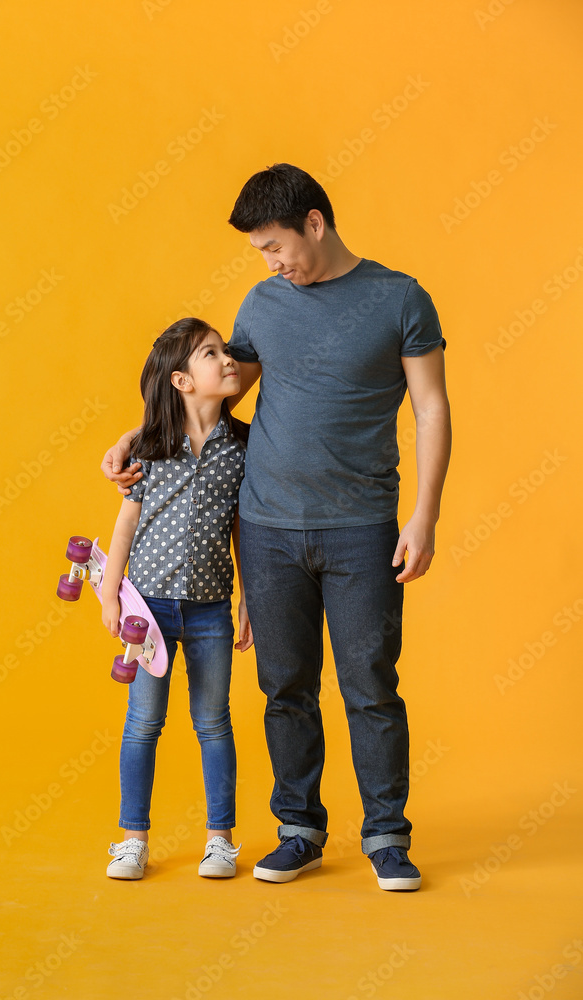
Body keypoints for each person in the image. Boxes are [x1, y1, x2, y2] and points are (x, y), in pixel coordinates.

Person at [102, 164, 451, 891]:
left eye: (274, 246)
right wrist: (140, 436)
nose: (270, 263)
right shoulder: (263, 303)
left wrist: (424, 513)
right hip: (265, 530)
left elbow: (430, 409)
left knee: (369, 684)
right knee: (284, 686)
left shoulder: (401, 299)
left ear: (314, 225)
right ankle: (299, 829)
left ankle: (386, 835)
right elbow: (212, 395)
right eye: (260, 252)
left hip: (361, 526)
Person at [101, 317, 252, 881]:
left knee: (213, 722)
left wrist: (248, 600)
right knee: (143, 722)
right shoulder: (149, 447)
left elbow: (243, 528)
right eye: (211, 354)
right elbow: (124, 526)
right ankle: (132, 840)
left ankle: (220, 840)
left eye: (223, 350)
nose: (227, 359)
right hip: (149, 613)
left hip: (212, 609)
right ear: (182, 381)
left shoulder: (242, 446)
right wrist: (112, 597)